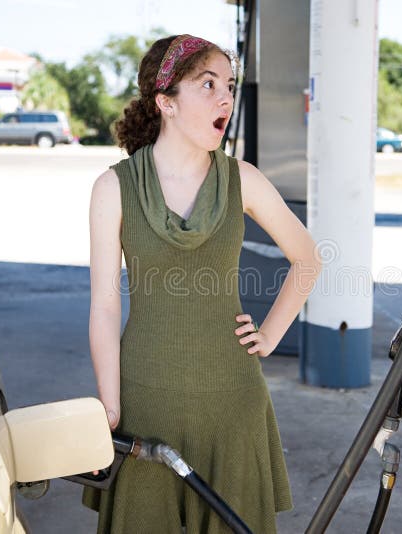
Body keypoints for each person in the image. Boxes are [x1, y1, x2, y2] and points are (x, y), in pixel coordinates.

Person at [83, 34, 321, 533]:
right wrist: (109, 404)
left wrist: (271, 335)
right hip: (145, 401)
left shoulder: (244, 180)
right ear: (165, 102)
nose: (226, 99)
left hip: (232, 403)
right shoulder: (115, 187)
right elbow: (104, 307)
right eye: (207, 84)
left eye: (229, 86)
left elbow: (307, 259)